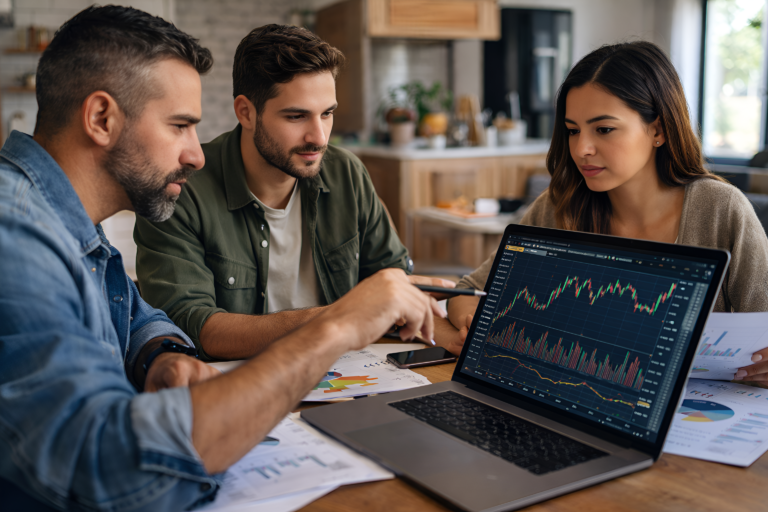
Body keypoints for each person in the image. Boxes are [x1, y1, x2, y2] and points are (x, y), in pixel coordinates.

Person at [0, 7, 442, 510]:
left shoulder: (65, 219)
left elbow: (133, 315)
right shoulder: (15, 235)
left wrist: (160, 356)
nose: (197, 154)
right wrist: (336, 325)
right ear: (101, 118)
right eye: (180, 126)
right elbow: (109, 468)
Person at [133, 24, 463, 359]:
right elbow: (192, 327)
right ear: (246, 112)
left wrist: (455, 336)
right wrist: (343, 316)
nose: (318, 137)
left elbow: (392, 279)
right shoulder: (181, 189)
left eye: (327, 114)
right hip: (239, 389)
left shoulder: (345, 171)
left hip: (351, 376)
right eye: (296, 116)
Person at [447, 41, 768, 383]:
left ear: (657, 130)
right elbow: (467, 292)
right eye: (573, 131)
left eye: (603, 129)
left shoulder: (721, 209)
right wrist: (475, 322)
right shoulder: (559, 206)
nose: (582, 148)